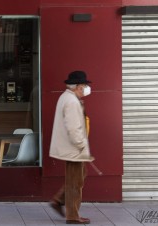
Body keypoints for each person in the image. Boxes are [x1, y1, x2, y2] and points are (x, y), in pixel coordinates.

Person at [49, 70, 95, 224]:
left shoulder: (67, 97)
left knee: (79, 176)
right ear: (77, 86)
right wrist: (82, 145)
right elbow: (74, 128)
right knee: (75, 182)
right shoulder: (71, 101)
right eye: (84, 85)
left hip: (71, 147)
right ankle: (73, 216)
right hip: (74, 148)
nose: (86, 88)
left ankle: (58, 200)